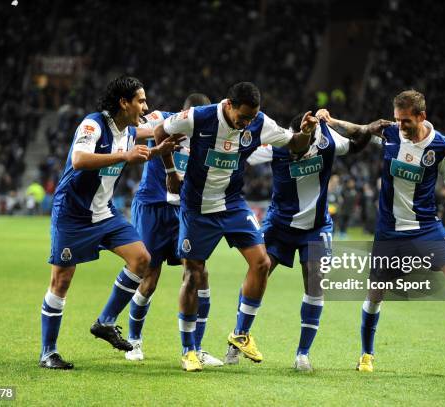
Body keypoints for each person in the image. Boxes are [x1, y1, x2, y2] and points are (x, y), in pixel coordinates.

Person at [154, 82, 318, 371]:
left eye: (251, 118)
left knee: (262, 262)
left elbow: (295, 145)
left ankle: (241, 333)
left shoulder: (259, 122)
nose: (247, 124)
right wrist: (170, 172)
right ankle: (188, 350)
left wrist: (305, 132)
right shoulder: (198, 117)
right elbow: (159, 131)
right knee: (193, 275)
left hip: (232, 204)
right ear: (228, 104)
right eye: (242, 117)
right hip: (197, 207)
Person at [39, 76, 177, 369]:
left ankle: (106, 322)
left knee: (141, 258)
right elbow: (78, 159)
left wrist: (158, 151)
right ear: (123, 103)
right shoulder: (93, 124)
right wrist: (124, 155)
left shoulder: (129, 131)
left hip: (105, 212)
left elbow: (155, 133)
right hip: (72, 214)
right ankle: (48, 352)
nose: (145, 105)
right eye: (140, 100)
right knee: (61, 280)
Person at [241, 110, 390, 371]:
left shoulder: (326, 139)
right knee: (258, 270)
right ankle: (238, 337)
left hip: (316, 226)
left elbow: (354, 145)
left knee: (315, 281)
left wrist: (367, 128)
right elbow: (244, 154)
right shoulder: (278, 143)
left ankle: (303, 355)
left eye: (309, 141)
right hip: (280, 226)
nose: (305, 148)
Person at [356, 90, 445, 372]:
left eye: (405, 121)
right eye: (397, 120)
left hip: (426, 227)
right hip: (389, 232)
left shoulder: (441, 145)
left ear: (421, 116)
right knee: (375, 294)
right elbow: (358, 131)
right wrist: (330, 120)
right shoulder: (389, 134)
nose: (400, 125)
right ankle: (366, 353)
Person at [95, 93, 223, 366]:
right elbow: (148, 130)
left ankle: (195, 348)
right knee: (149, 277)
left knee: (199, 273)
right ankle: (135, 341)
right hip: (153, 207)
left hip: (184, 211)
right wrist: (167, 167)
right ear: (184, 113)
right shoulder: (163, 118)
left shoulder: (208, 135)